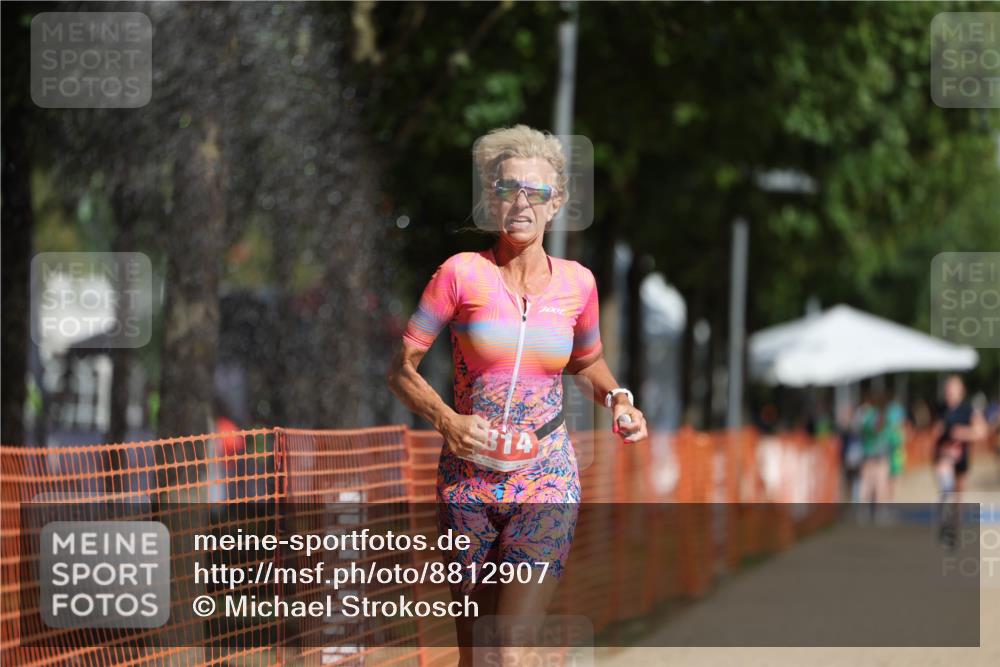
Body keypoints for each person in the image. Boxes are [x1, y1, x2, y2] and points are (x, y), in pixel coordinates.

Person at [387, 124, 647, 665]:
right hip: (467, 479)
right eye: (508, 190)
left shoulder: (578, 285)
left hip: (546, 474)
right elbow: (401, 371)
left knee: (508, 648)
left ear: (559, 204)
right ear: (490, 198)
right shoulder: (460, 275)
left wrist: (618, 398)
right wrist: (447, 420)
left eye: (537, 193)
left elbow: (587, 360)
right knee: (476, 655)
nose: (522, 203)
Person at [932, 375, 989, 548]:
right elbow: (934, 433)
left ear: (961, 391)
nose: (950, 391)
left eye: (953, 388)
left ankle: (952, 529)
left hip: (961, 458)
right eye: (948, 388)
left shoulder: (967, 409)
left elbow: (981, 432)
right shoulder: (941, 408)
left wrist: (961, 433)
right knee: (946, 489)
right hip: (944, 457)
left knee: (958, 496)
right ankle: (945, 524)